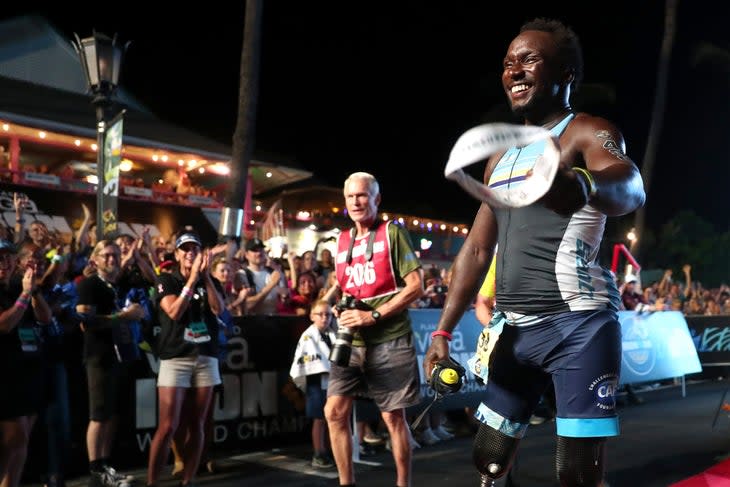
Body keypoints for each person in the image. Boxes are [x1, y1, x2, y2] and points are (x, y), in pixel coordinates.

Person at [423, 18, 646, 487]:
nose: (514, 70)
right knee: (488, 462)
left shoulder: (587, 131)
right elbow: (479, 247)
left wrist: (583, 184)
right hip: (514, 330)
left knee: (578, 475)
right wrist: (443, 328)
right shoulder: (499, 155)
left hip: (580, 325)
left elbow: (631, 187)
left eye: (529, 60)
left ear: (565, 73)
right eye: (508, 63)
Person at [324, 171, 424, 487]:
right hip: (350, 340)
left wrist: (374, 316)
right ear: (345, 201)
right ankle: (346, 482)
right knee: (334, 413)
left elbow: (416, 286)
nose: (356, 201)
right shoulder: (340, 241)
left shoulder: (392, 234)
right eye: (351, 196)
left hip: (390, 339)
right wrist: (333, 305)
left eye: (363, 195)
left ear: (376, 199)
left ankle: (403, 483)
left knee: (393, 418)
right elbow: (345, 286)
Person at [145, 232, 224, 487]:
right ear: (177, 254)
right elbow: (175, 312)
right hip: (176, 356)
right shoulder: (167, 279)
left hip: (205, 356)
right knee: (168, 425)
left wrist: (205, 277)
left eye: (194, 249)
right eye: (185, 249)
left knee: (198, 424)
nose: (190, 253)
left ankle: (188, 479)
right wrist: (191, 279)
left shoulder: (209, 279)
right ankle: (152, 481)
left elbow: (218, 309)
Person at [76, 241, 145, 487]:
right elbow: (86, 322)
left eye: (116, 255)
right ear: (95, 260)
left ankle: (106, 469)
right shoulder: (89, 285)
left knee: (111, 415)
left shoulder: (116, 286)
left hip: (120, 355)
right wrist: (123, 316)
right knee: (99, 415)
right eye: (107, 255)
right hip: (98, 356)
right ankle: (96, 474)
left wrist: (137, 313)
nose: (112, 259)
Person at [0, 239, 51, 487]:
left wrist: (34, 290)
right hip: (4, 376)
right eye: (0, 258)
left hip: (25, 371)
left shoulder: (16, 285)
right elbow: (4, 324)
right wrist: (24, 294)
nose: (5, 263)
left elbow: (45, 317)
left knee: (20, 441)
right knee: (12, 440)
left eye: (9, 258)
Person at [289, 299, 337, 469]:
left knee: (334, 418)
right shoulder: (308, 336)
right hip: (316, 382)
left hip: (333, 382)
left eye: (328, 315)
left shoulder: (333, 333)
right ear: (311, 316)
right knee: (319, 419)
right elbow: (309, 361)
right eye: (320, 314)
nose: (325, 318)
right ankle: (319, 452)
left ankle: (333, 450)